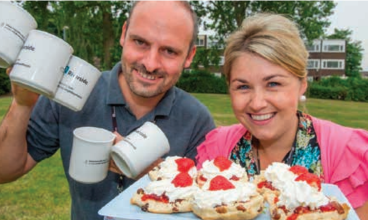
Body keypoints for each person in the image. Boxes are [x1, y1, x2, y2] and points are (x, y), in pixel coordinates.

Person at [0, 1, 216, 220]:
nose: (150, 64)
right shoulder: (74, 91)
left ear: (189, 56)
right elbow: (4, 170)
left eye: (169, 51)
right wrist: (23, 103)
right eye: (140, 42)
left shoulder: (197, 120)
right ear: (124, 34)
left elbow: (207, 203)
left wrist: (157, 173)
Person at [195, 13, 368, 219]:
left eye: (273, 84)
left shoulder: (345, 154)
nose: (257, 103)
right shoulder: (217, 150)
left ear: (302, 84)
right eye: (243, 86)